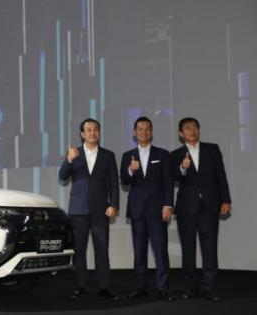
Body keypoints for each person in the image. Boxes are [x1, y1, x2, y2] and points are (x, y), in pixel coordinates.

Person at [171, 117, 231, 302]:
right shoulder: (175, 154)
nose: (192, 130)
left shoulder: (212, 149)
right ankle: (190, 287)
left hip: (209, 205)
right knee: (188, 249)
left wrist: (225, 200)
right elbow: (172, 177)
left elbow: (221, 175)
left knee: (210, 247)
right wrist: (182, 167)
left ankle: (209, 287)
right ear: (181, 133)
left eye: (195, 127)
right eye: (188, 128)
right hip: (186, 208)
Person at [59, 118, 120, 300]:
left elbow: (114, 183)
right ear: (82, 134)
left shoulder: (108, 155)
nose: (93, 132)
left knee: (102, 250)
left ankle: (104, 288)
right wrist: (69, 160)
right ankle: (81, 287)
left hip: (101, 210)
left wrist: (113, 204)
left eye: (96, 129)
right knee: (80, 250)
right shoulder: (74, 153)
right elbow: (62, 176)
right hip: (78, 210)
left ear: (99, 132)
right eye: (89, 130)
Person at [120, 117, 174, 302]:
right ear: (134, 133)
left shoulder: (163, 154)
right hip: (137, 210)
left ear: (151, 132)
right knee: (139, 251)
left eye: (147, 129)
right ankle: (140, 288)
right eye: (140, 129)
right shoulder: (128, 155)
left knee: (160, 251)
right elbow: (124, 181)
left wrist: (168, 204)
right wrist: (130, 170)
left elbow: (168, 182)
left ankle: (163, 288)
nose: (144, 132)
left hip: (158, 210)